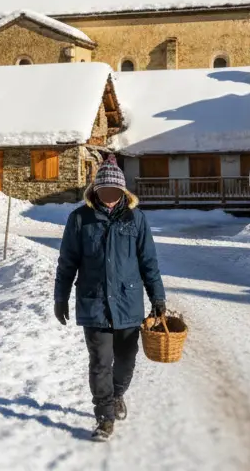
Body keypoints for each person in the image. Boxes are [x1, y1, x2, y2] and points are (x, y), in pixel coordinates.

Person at [54, 154, 166, 442]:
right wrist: (61, 297)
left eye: (115, 192)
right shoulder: (79, 219)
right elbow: (67, 262)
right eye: (104, 191)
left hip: (128, 302)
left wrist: (158, 299)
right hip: (94, 302)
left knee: (127, 358)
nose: (110, 197)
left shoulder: (136, 218)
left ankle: (117, 395)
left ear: (123, 192)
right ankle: (104, 416)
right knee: (100, 362)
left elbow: (148, 262)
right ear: (95, 191)